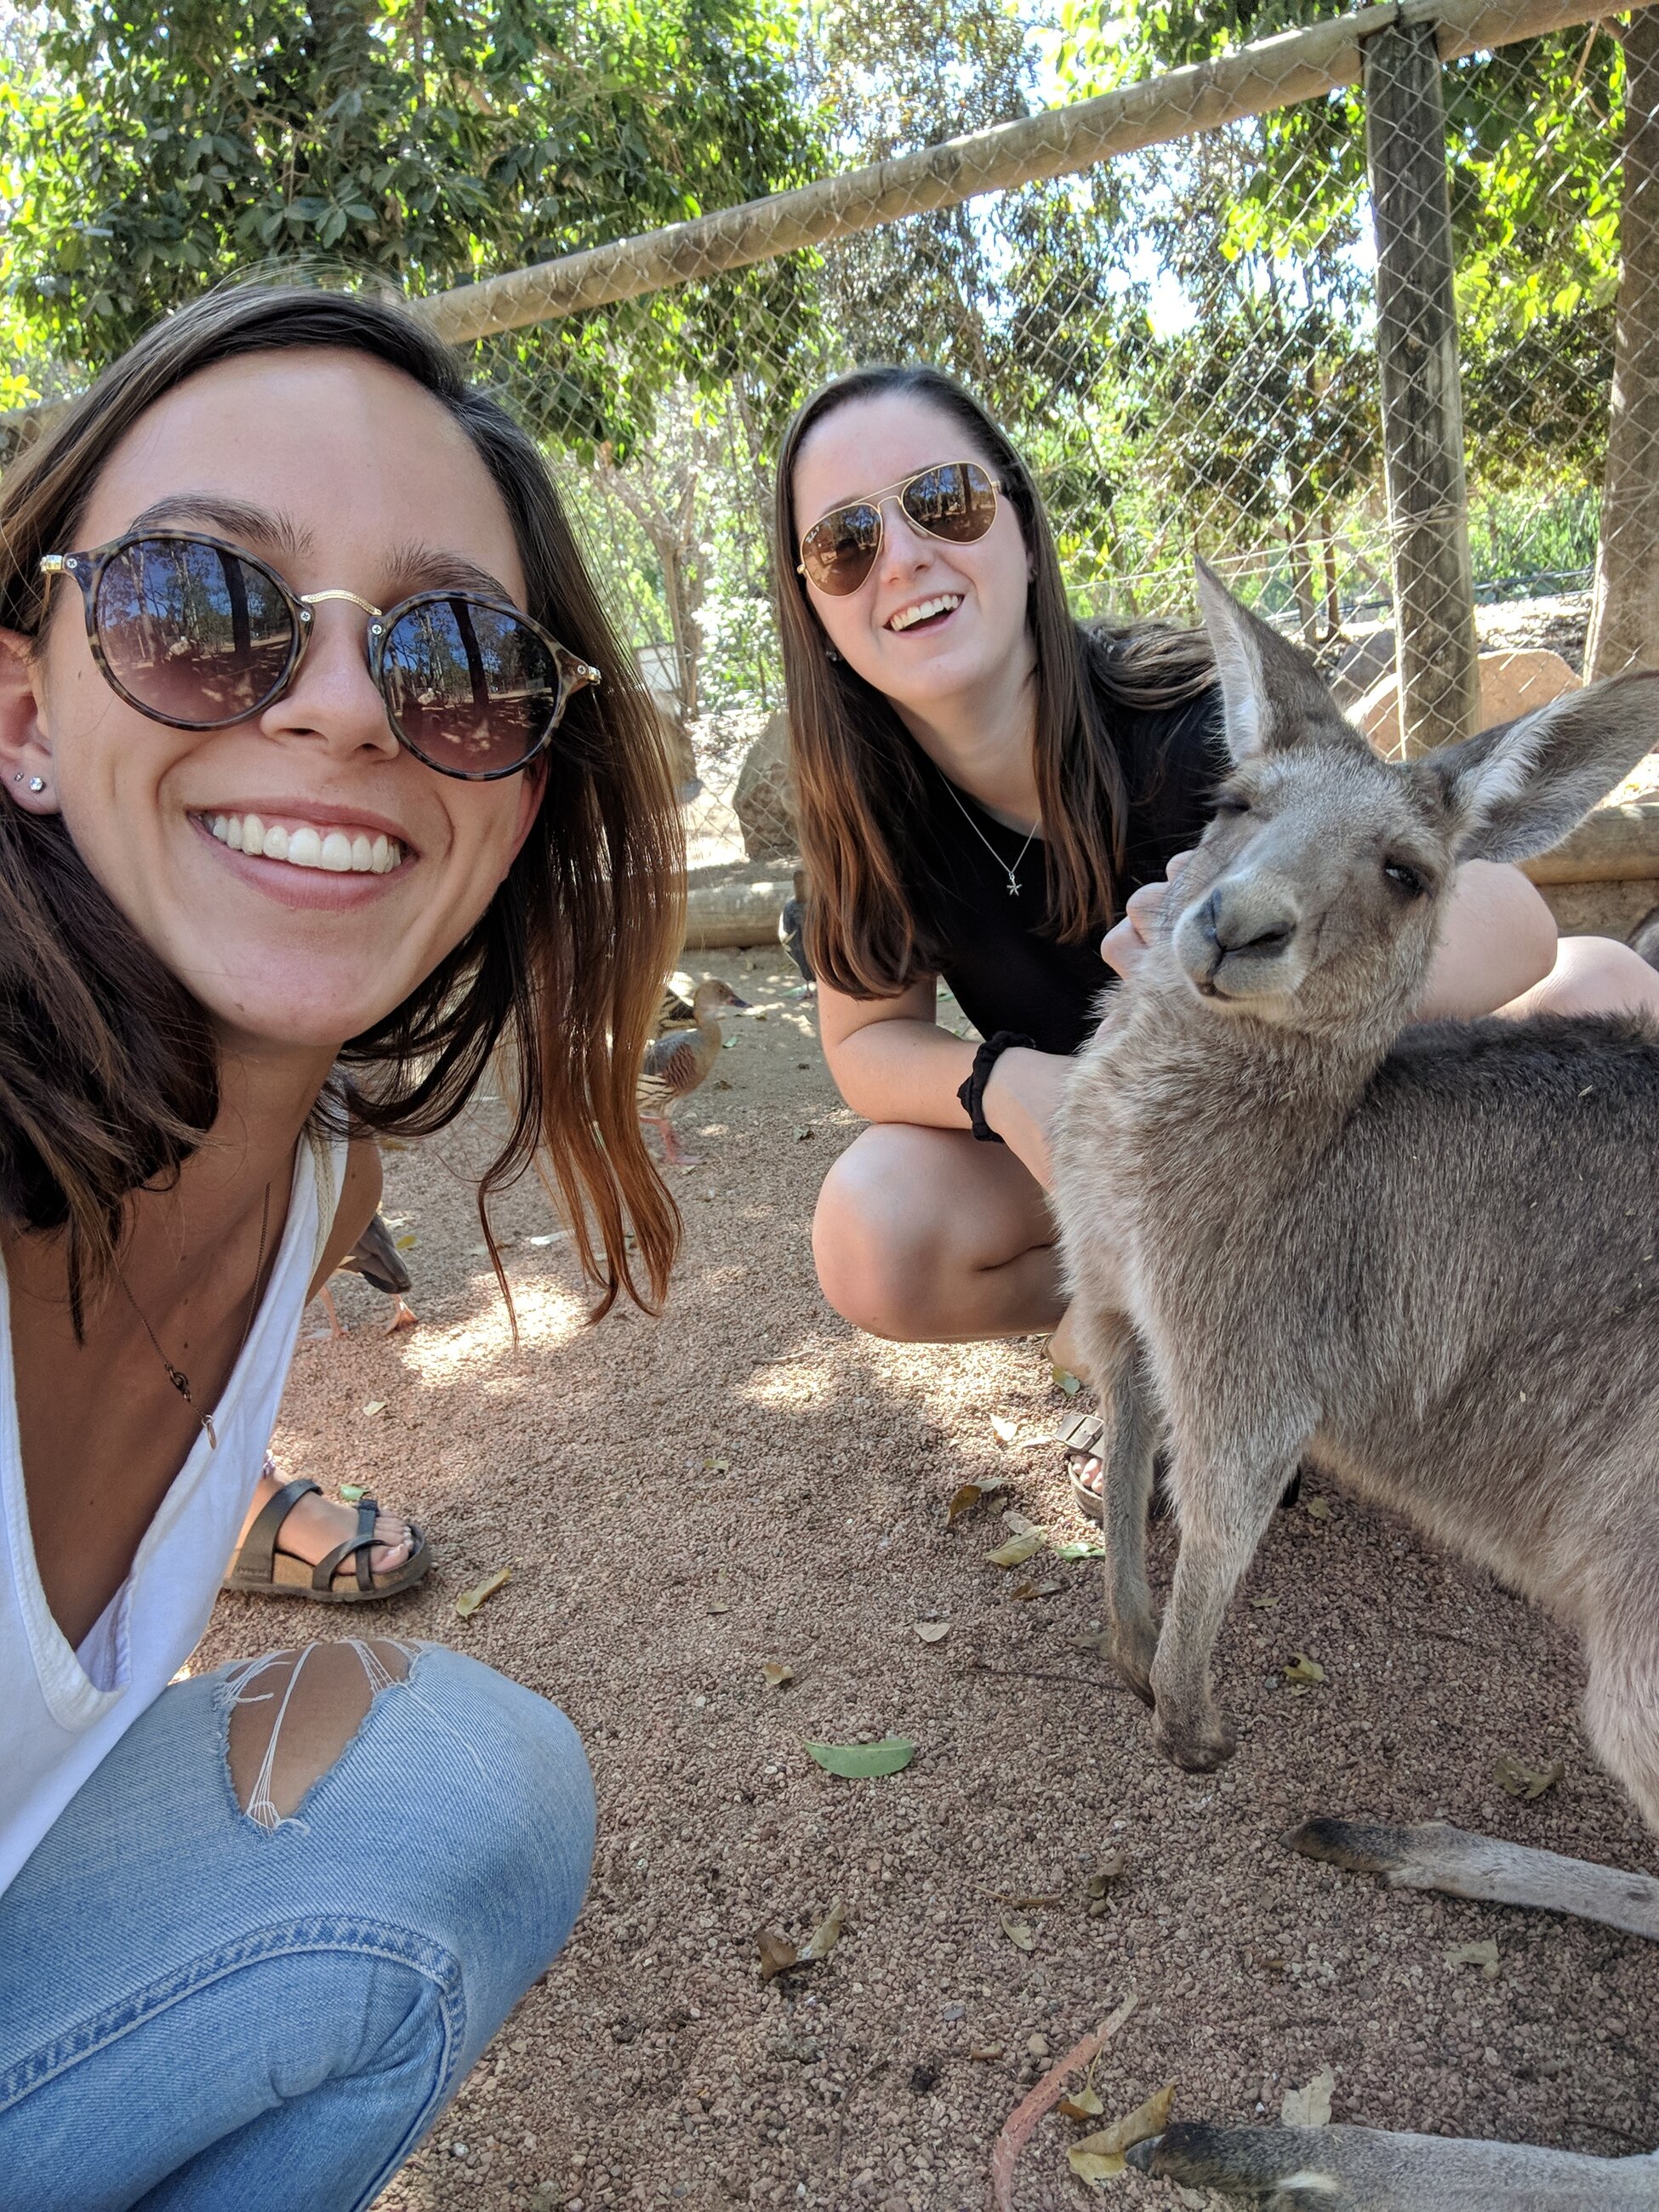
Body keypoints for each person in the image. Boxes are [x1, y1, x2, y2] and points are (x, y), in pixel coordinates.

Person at [0, 282, 682, 2209]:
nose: (346, 704)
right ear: (26, 716)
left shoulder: (315, 1190)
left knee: (476, 1788)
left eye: (456, 657)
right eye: (200, 604)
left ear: (515, 788)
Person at [778, 365, 1659, 1508]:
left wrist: (1272, 941)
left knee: (1608, 1004)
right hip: (1152, 1153)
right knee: (872, 1225)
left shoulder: (1200, 723)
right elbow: (866, 1049)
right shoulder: (862, 809)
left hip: (1345, 1145)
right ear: (817, 608)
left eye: (942, 502)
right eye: (844, 543)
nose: (898, 557)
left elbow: (1510, 920)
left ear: (1024, 532)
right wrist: (1016, 1084)